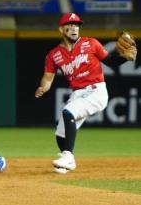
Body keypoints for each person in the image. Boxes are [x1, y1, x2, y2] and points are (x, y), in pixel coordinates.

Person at [35, 12, 137, 174]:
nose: (75, 28)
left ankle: (68, 156)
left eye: (77, 25)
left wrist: (125, 58)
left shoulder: (91, 43)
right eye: (70, 25)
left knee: (68, 112)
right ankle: (67, 162)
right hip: (78, 93)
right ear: (61, 29)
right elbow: (48, 79)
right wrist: (42, 88)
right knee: (61, 131)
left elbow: (110, 62)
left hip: (96, 91)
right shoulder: (54, 55)